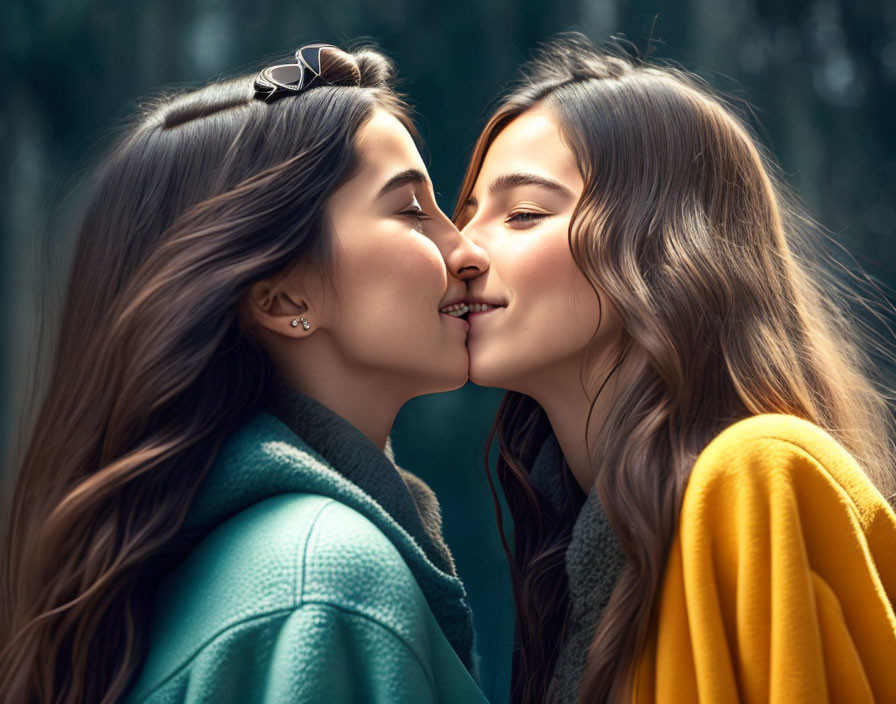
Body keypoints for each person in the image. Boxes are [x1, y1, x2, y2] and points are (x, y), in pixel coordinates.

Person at [0, 43, 490, 704]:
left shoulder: (201, 568)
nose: (466, 248)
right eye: (410, 210)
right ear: (284, 299)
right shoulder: (327, 580)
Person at [454, 32, 896, 703]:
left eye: (523, 214)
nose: (461, 251)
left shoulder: (755, 475)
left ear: (663, 251)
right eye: (466, 216)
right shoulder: (576, 553)